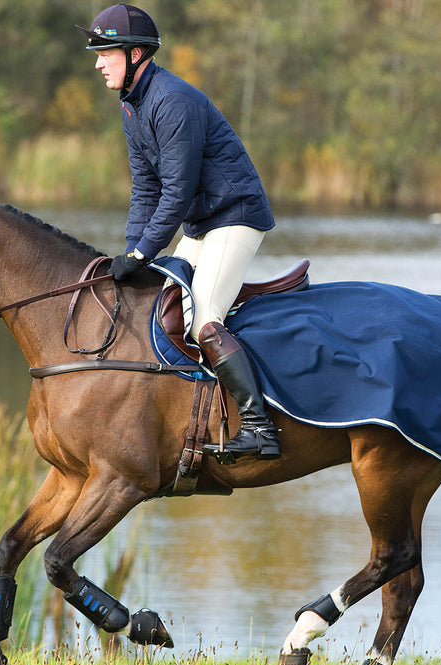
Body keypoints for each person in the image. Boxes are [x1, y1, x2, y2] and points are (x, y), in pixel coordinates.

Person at [78, 4, 280, 462]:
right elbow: (145, 187)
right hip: (203, 223)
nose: (97, 62)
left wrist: (145, 250)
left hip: (236, 216)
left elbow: (177, 189)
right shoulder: (133, 105)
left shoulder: (173, 101)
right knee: (162, 304)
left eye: (105, 52)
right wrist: (132, 252)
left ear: (134, 55)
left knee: (205, 316)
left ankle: (259, 427)